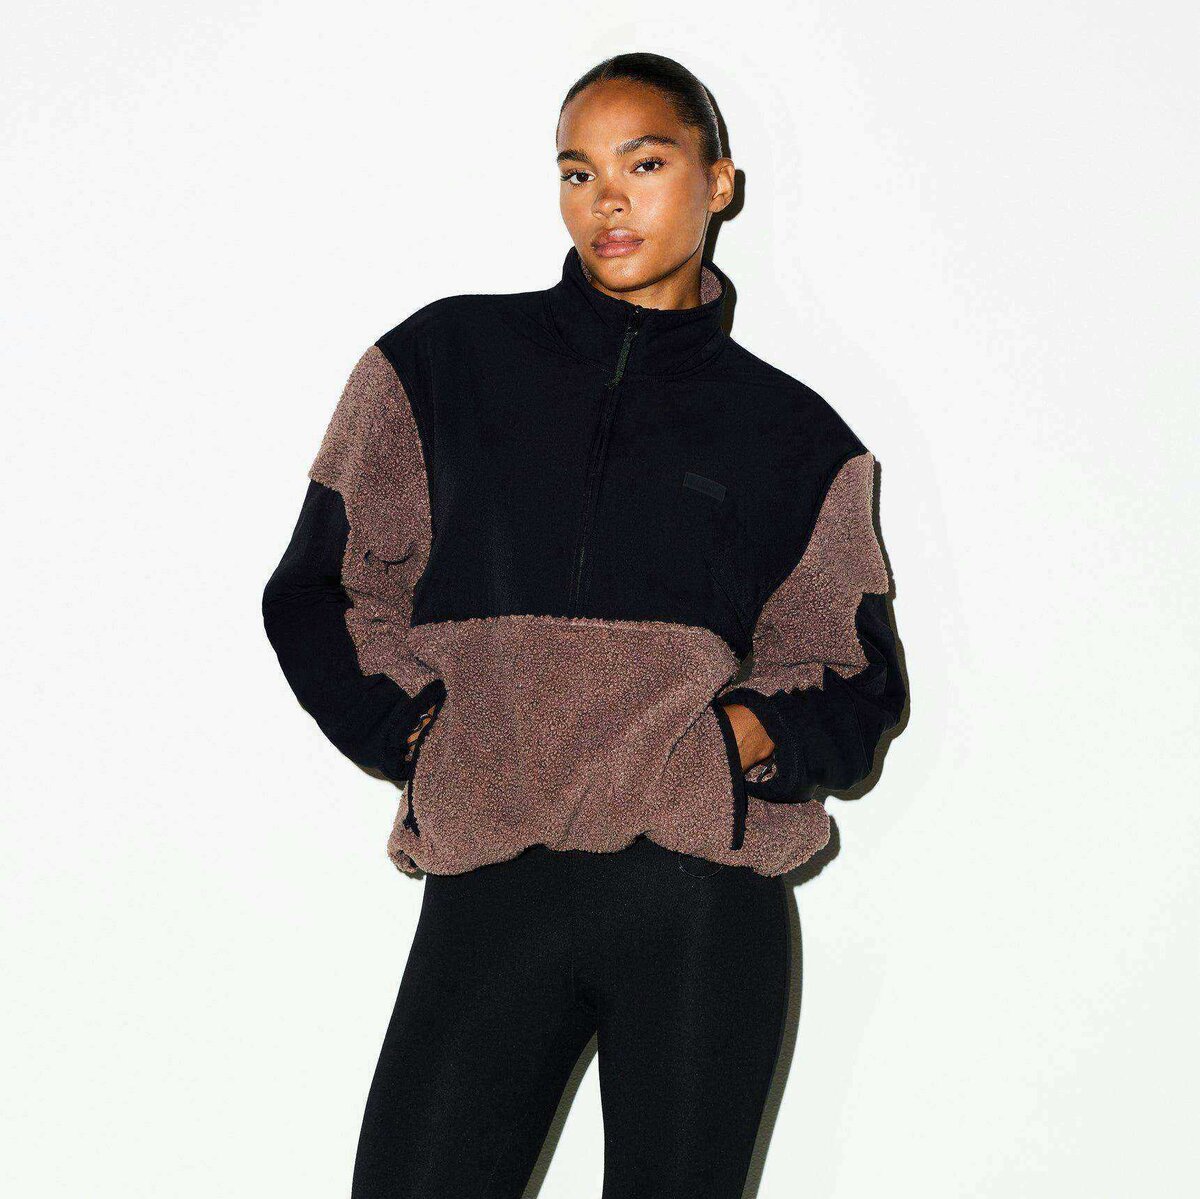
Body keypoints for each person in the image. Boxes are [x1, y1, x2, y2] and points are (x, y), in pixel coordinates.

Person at [262, 51, 905, 1199]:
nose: (607, 200)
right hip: (493, 886)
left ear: (719, 182)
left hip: (696, 903)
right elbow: (319, 587)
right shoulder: (441, 364)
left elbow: (854, 677)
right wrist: (421, 733)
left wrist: (729, 746)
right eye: (578, 171)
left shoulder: (795, 437)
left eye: (644, 164)